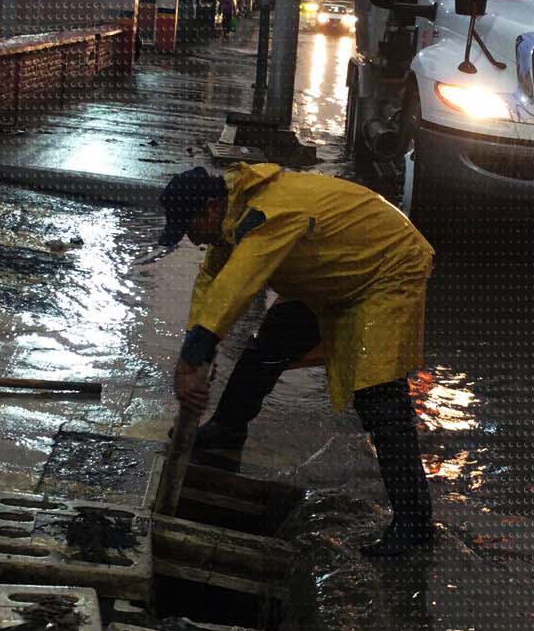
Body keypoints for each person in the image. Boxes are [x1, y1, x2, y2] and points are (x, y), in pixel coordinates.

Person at [157, 163, 435, 558]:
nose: (194, 240)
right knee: (269, 344)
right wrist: (196, 348)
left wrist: (192, 358)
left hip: (387, 269)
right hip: (332, 276)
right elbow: (210, 283)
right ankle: (227, 428)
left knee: (379, 399)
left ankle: (414, 524)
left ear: (211, 209)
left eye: (191, 228)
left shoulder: (269, 213)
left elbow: (239, 283)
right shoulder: (235, 215)